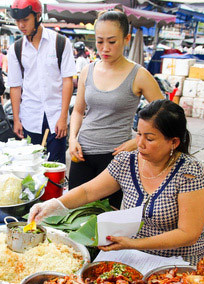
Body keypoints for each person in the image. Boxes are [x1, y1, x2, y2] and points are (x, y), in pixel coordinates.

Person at [30, 100, 204, 265]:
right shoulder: (127, 161)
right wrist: (54, 204)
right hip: (133, 252)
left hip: (178, 259)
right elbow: (88, 191)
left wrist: (132, 243)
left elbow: (188, 234)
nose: (140, 143)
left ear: (173, 142)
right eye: (138, 134)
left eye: (149, 138)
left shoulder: (189, 172)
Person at [68, 11, 164, 209]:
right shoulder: (88, 70)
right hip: (82, 153)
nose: (105, 48)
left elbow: (165, 116)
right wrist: (72, 139)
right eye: (100, 41)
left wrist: (137, 142)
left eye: (112, 42)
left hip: (116, 157)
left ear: (126, 39)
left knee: (106, 218)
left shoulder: (139, 75)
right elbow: (78, 111)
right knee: (73, 213)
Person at [8, 0, 75, 163]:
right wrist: (16, 119)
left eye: (25, 20)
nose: (21, 25)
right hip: (30, 116)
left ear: (38, 16)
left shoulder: (60, 43)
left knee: (55, 167)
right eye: (18, 21)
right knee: (31, 166)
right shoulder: (16, 49)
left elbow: (68, 81)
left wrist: (63, 116)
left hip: (55, 116)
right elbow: (15, 86)